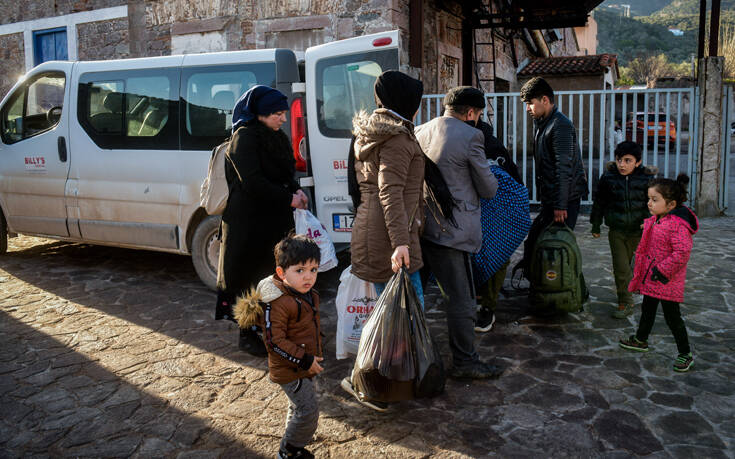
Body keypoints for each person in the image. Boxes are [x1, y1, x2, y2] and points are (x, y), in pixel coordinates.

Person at [341, 70, 425, 411]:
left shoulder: (368, 134)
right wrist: (401, 243)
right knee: (399, 315)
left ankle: (391, 378)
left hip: (374, 228)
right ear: (407, 102)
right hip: (390, 235)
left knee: (395, 314)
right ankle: (371, 382)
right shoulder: (397, 140)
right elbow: (390, 191)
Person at [415, 86, 502, 379]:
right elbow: (488, 188)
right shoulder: (471, 136)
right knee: (462, 300)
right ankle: (465, 361)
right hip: (453, 231)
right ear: (470, 113)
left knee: (418, 294)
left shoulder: (420, 131)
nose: (477, 119)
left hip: (424, 226)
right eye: (477, 114)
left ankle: (412, 351)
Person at [215, 85, 308, 357]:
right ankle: (247, 334)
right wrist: (287, 198)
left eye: (283, 113)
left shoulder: (275, 136)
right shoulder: (243, 138)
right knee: (249, 279)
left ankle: (272, 330)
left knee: (271, 277)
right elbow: (253, 182)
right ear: (260, 113)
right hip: (248, 224)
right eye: (277, 114)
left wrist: (296, 190)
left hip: (272, 220)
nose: (282, 118)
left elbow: (285, 171)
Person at [234, 234, 323, 458]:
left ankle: (292, 440)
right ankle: (289, 449)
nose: (308, 277)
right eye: (300, 270)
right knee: (308, 411)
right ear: (282, 273)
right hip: (290, 369)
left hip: (303, 363)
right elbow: (275, 341)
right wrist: (305, 359)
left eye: (313, 270)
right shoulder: (278, 303)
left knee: (297, 408)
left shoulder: (308, 294)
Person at [619, 174, 698, 373]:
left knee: (673, 318)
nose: (649, 203)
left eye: (655, 200)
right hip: (653, 278)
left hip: (665, 280)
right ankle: (641, 339)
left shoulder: (678, 225)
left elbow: (682, 253)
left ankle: (685, 354)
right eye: (649, 199)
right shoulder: (660, 219)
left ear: (671, 204)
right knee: (648, 310)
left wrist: (661, 270)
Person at [516, 77, 588, 276]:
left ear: (545, 100)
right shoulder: (544, 123)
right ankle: (542, 288)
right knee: (537, 242)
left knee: (556, 249)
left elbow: (563, 167)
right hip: (553, 199)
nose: (528, 108)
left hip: (564, 201)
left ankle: (561, 293)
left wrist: (560, 205)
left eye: (531, 103)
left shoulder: (560, 125)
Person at [472, 119, 530, 332]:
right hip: (471, 213)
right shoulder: (460, 140)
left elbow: (512, 181)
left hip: (497, 213)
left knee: (496, 255)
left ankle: (488, 307)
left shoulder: (491, 146)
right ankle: (480, 301)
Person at [590, 141, 658, 318]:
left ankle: (636, 290)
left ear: (638, 162)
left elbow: (656, 204)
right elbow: (599, 202)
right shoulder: (608, 178)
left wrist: (652, 222)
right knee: (621, 267)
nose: (622, 164)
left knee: (636, 267)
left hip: (639, 231)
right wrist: (595, 224)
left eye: (628, 160)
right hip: (617, 232)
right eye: (619, 160)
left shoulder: (646, 179)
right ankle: (625, 302)